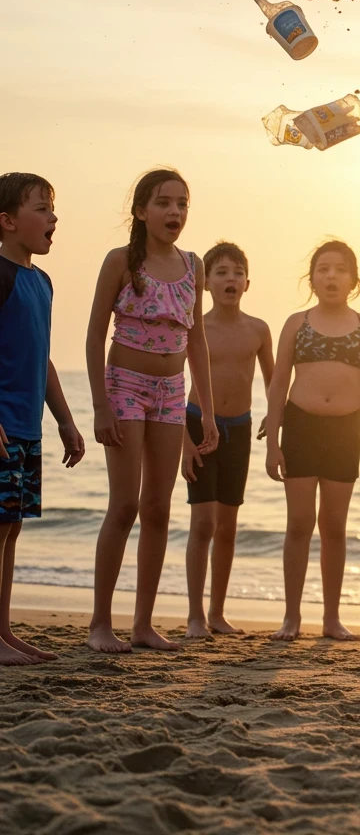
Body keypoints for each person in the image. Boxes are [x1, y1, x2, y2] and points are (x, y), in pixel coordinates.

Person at [85, 168, 217, 653]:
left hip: (171, 391)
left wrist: (204, 409)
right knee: (124, 505)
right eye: (163, 203)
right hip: (125, 387)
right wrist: (100, 404)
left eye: (182, 204)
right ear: (141, 211)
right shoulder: (121, 260)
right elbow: (96, 330)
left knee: (159, 510)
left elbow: (196, 339)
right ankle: (101, 623)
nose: (175, 212)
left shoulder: (194, 265)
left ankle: (143, 625)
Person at [264, 241, 360, 641]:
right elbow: (279, 382)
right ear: (311, 278)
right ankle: (291, 617)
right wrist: (273, 443)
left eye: (340, 269)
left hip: (345, 431)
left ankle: (331, 618)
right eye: (322, 269)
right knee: (299, 524)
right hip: (300, 427)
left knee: (334, 526)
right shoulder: (296, 324)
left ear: (354, 279)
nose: (331, 276)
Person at [0, 172, 85, 665]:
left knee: (11, 527)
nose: (53, 218)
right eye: (42, 208)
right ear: (8, 221)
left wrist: (65, 421)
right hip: (2, 426)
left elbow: (44, 358)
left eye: (53, 209)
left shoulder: (42, 281)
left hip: (27, 428)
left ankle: (4, 630)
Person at [182, 241, 273, 638]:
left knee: (229, 526)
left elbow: (274, 379)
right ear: (206, 283)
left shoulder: (258, 329)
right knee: (203, 523)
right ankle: (195, 616)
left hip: (239, 428)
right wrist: (184, 440)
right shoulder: (194, 325)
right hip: (198, 425)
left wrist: (277, 416)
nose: (230, 279)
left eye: (236, 272)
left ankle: (218, 612)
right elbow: (172, 380)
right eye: (220, 272)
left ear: (248, 282)